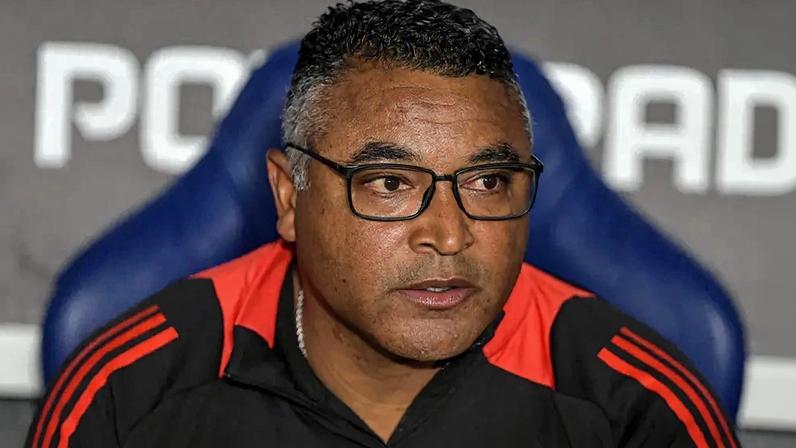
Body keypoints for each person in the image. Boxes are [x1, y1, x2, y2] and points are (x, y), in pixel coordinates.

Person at [27, 1, 740, 446]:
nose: (449, 235)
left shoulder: (639, 405)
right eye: (391, 183)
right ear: (287, 197)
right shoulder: (130, 391)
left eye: (489, 182)